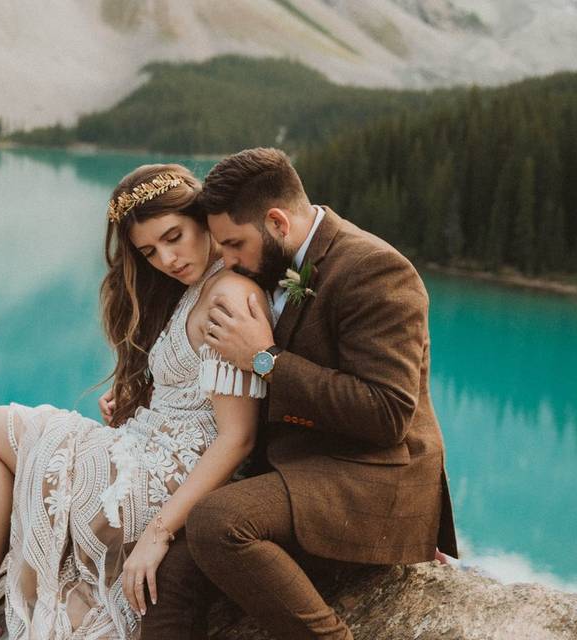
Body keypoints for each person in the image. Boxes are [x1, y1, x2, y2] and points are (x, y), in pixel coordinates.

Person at [0, 163, 271, 640]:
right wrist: (139, 403)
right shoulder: (198, 288)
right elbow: (193, 394)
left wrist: (161, 531)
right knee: (16, 485)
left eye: (174, 236)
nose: (167, 258)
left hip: (165, 480)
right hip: (146, 452)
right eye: (149, 251)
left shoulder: (228, 295)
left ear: (202, 217)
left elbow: (237, 437)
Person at [141, 148, 459, 640]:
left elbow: (388, 413)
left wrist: (266, 359)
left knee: (217, 522)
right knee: (170, 570)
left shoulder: (376, 269)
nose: (226, 261)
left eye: (233, 244)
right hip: (302, 469)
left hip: (374, 477)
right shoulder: (271, 261)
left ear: (276, 221)